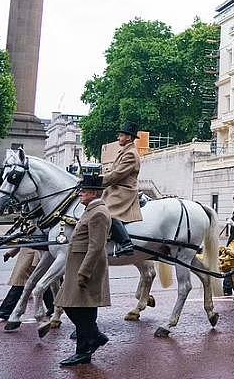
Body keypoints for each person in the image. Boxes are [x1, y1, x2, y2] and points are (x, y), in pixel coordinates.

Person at [55, 174, 111, 367]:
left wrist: (84, 272)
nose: (80, 194)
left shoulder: (99, 213)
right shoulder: (90, 210)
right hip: (78, 264)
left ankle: (84, 350)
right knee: (75, 306)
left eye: (84, 191)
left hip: (87, 267)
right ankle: (91, 339)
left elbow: (96, 246)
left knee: (81, 308)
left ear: (93, 193)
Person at [101, 123, 142, 256]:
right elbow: (113, 170)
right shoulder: (124, 151)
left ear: (129, 137)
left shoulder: (131, 154)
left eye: (121, 135)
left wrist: (97, 182)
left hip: (124, 190)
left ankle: (126, 243)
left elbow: (117, 175)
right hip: (115, 187)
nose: (118, 137)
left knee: (108, 211)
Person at [0, 247, 53, 320]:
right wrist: (11, 252)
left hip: (34, 256)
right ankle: (51, 306)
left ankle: (5, 311)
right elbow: (24, 240)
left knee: (19, 283)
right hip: (27, 256)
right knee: (39, 283)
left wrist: (36, 259)